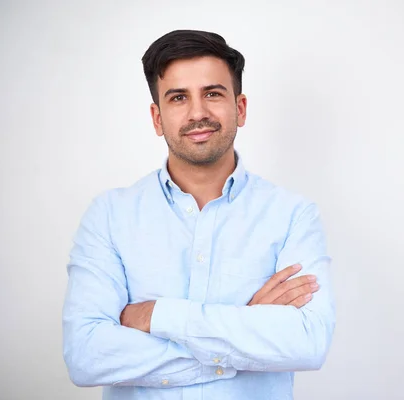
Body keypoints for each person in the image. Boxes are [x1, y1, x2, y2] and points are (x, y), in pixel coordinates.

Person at [62, 29, 335, 400]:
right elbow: (87, 357)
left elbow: (307, 343)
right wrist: (245, 332)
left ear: (239, 108)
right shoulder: (110, 216)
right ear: (157, 118)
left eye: (212, 93)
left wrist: (157, 316)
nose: (198, 113)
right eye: (178, 98)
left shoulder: (292, 216)